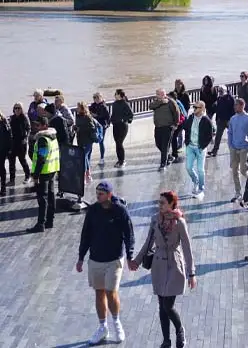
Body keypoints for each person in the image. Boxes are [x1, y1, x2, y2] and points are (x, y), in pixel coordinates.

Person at [130, 190, 196, 348]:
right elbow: (148, 243)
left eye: (162, 203)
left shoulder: (180, 223)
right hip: (158, 265)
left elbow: (187, 248)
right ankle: (166, 340)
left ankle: (180, 330)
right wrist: (136, 261)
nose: (159, 205)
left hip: (174, 264)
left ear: (171, 204)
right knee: (161, 305)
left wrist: (191, 273)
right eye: (158, 202)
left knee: (168, 305)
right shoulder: (155, 220)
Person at [76, 180, 135, 346]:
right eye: (97, 194)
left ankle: (116, 323)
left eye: (101, 194)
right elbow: (85, 235)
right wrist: (81, 257)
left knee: (111, 292)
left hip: (114, 259)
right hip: (95, 259)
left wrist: (130, 256)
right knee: (99, 292)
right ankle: (103, 327)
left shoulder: (120, 211)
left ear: (109, 195)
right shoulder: (93, 211)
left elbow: (129, 234)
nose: (97, 197)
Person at [26, 113, 58, 233]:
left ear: (44, 126)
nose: (36, 127)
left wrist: (35, 175)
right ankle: (50, 221)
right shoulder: (53, 137)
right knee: (50, 195)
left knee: (42, 198)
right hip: (52, 170)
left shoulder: (43, 139)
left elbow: (41, 158)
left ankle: (41, 224)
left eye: (38, 125)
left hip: (44, 172)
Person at [183, 101, 214, 199]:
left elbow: (210, 134)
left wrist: (203, 146)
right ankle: (195, 181)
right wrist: (187, 141)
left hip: (200, 148)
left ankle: (201, 188)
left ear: (202, 109)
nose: (194, 109)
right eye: (194, 107)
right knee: (188, 167)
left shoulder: (206, 120)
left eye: (197, 107)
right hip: (190, 147)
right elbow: (185, 127)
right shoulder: (191, 117)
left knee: (200, 169)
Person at [226, 99, 248, 205]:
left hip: (244, 149)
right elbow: (230, 132)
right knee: (234, 171)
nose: (234, 107)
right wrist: (230, 145)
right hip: (233, 148)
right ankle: (238, 193)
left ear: (242, 105)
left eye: (236, 105)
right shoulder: (233, 118)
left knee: (243, 171)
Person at [151, 89, 182, 171]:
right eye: (157, 94)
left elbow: (177, 112)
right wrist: (161, 102)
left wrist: (176, 124)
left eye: (159, 94)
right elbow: (151, 106)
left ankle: (163, 164)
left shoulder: (171, 102)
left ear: (164, 94)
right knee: (158, 144)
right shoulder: (156, 102)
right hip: (158, 127)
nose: (157, 96)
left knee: (165, 145)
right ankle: (168, 156)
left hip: (168, 127)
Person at [74, 101, 99, 185]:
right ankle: (88, 175)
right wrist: (75, 128)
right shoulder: (77, 116)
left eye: (78, 107)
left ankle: (84, 176)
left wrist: (81, 129)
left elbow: (92, 128)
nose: (76, 108)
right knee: (85, 157)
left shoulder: (88, 117)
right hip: (80, 140)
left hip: (87, 141)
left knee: (83, 157)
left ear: (82, 108)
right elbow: (78, 126)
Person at [109, 90, 134, 167]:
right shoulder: (114, 104)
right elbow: (113, 114)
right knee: (117, 143)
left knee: (119, 143)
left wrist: (123, 119)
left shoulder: (125, 103)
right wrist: (111, 120)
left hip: (123, 126)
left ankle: (122, 161)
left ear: (120, 95)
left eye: (116, 94)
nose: (115, 95)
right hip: (115, 126)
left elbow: (131, 115)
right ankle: (119, 160)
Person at [209, 84, 235, 158]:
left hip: (228, 120)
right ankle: (215, 151)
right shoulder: (219, 98)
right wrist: (216, 118)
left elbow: (233, 110)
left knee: (232, 135)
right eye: (219, 91)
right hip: (220, 120)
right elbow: (217, 109)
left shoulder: (230, 98)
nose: (220, 92)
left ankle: (234, 149)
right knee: (218, 137)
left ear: (225, 91)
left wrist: (231, 119)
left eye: (221, 91)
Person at [8, 102, 31, 186]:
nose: (17, 110)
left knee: (22, 160)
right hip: (13, 142)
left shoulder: (24, 118)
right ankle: (12, 179)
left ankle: (28, 176)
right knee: (11, 161)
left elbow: (28, 129)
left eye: (19, 108)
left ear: (21, 109)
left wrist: (26, 139)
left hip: (22, 142)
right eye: (16, 108)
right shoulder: (11, 118)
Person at [170, 80, 191, 163]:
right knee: (177, 133)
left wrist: (183, 113)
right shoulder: (174, 93)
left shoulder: (185, 94)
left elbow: (188, 105)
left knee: (181, 132)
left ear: (182, 85)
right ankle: (179, 146)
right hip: (177, 117)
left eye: (179, 84)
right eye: (176, 84)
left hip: (183, 116)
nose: (178, 86)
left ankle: (181, 146)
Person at [90, 92, 111, 163]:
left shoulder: (103, 106)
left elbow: (106, 116)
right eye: (95, 98)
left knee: (101, 142)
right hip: (94, 125)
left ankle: (102, 158)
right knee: (91, 141)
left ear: (101, 98)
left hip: (102, 126)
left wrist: (95, 115)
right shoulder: (93, 105)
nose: (96, 99)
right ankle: (89, 158)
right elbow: (90, 113)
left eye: (98, 97)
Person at [0, 112, 9, 196]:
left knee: (1, 168)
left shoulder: (4, 123)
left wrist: (8, 150)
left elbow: (9, 137)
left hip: (2, 150)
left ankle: (3, 188)